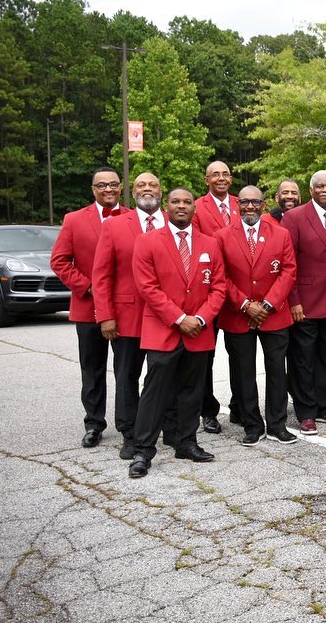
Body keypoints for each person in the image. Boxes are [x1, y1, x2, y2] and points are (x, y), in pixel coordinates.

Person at [127, 188, 227, 478]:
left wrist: (202, 318)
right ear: (166, 207)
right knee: (154, 392)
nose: (181, 206)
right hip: (164, 329)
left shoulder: (210, 243)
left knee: (192, 392)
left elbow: (219, 286)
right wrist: (179, 318)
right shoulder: (147, 242)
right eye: (175, 202)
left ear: (194, 208)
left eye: (187, 202)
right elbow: (147, 287)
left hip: (199, 330)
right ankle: (143, 450)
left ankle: (186, 442)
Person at [215, 186, 298, 446]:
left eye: (255, 202)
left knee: (276, 372)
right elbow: (221, 276)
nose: (250, 206)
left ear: (263, 204)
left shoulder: (281, 234)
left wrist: (268, 304)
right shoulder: (222, 236)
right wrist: (245, 305)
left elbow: (288, 272)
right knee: (243, 373)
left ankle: (277, 424)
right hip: (238, 315)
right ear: (238, 204)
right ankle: (252, 425)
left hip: (274, 315)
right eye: (245, 202)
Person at [92, 172, 166, 459]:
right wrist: (105, 316)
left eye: (153, 185)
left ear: (161, 190)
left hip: (165, 317)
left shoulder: (174, 222)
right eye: (141, 185)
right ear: (132, 192)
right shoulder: (114, 226)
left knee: (163, 377)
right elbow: (101, 275)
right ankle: (129, 433)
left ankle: (168, 428)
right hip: (127, 317)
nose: (147, 189)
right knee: (127, 377)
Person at [51, 166, 125, 448]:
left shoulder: (132, 217)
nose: (108, 189)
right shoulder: (74, 220)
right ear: (93, 189)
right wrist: (88, 286)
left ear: (120, 187)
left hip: (123, 307)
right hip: (88, 306)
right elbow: (59, 261)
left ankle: (127, 422)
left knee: (126, 368)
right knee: (92, 368)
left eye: (113, 184)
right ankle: (94, 423)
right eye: (102, 185)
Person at [281, 170, 326, 435]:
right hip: (305, 302)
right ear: (310, 190)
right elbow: (288, 262)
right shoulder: (294, 217)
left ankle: (325, 407)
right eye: (319, 186)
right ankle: (306, 412)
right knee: (303, 358)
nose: (325, 190)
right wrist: (293, 300)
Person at [192, 160, 240, 435]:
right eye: (215, 175)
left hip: (239, 292)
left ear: (230, 179)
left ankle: (239, 405)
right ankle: (207, 412)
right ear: (206, 179)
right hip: (209, 291)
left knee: (239, 355)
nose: (221, 178)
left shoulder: (241, 203)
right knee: (205, 358)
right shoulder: (197, 207)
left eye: (225, 174)